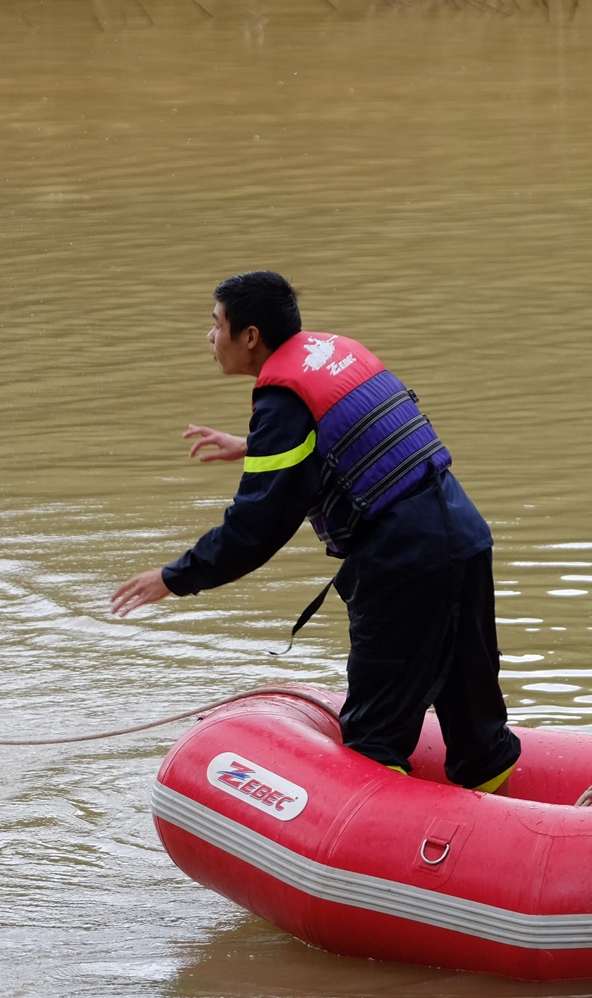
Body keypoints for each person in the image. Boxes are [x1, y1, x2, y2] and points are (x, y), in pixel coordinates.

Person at [110, 271, 522, 792]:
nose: (209, 337)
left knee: (374, 737)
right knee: (475, 721)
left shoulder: (283, 403)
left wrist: (174, 577)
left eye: (216, 324)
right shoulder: (335, 352)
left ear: (250, 336)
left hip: (403, 561)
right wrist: (253, 445)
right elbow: (347, 432)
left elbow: (256, 527)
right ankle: (501, 816)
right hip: (463, 534)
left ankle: (382, 836)